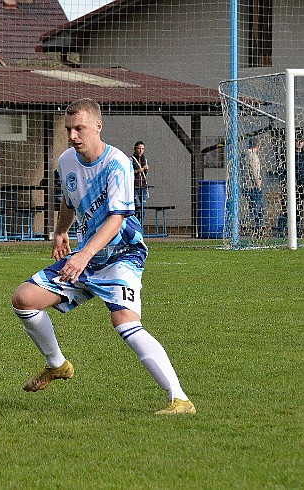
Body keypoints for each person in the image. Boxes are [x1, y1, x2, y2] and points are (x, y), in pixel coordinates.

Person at [11, 98, 195, 415]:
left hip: (122, 251)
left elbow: (116, 218)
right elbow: (69, 200)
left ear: (98, 126)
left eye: (79, 128)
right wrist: (60, 232)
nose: (72, 135)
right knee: (24, 299)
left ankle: (179, 398)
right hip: (89, 254)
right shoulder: (67, 161)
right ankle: (57, 365)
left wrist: (83, 255)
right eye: (68, 129)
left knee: (123, 320)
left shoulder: (117, 164)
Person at [243, 138, 264, 233]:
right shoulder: (253, 156)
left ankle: (255, 228)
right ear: (258, 146)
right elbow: (254, 172)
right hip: (253, 187)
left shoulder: (244, 155)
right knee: (258, 209)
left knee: (253, 208)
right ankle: (257, 229)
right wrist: (258, 185)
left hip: (246, 186)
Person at [130, 141, 149, 220]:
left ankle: (141, 224)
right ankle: (136, 222)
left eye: (142, 149)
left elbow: (144, 175)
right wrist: (137, 171)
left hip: (143, 186)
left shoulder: (145, 160)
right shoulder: (131, 159)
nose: (141, 150)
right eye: (139, 148)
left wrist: (146, 170)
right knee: (137, 206)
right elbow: (128, 173)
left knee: (143, 207)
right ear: (135, 149)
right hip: (135, 186)